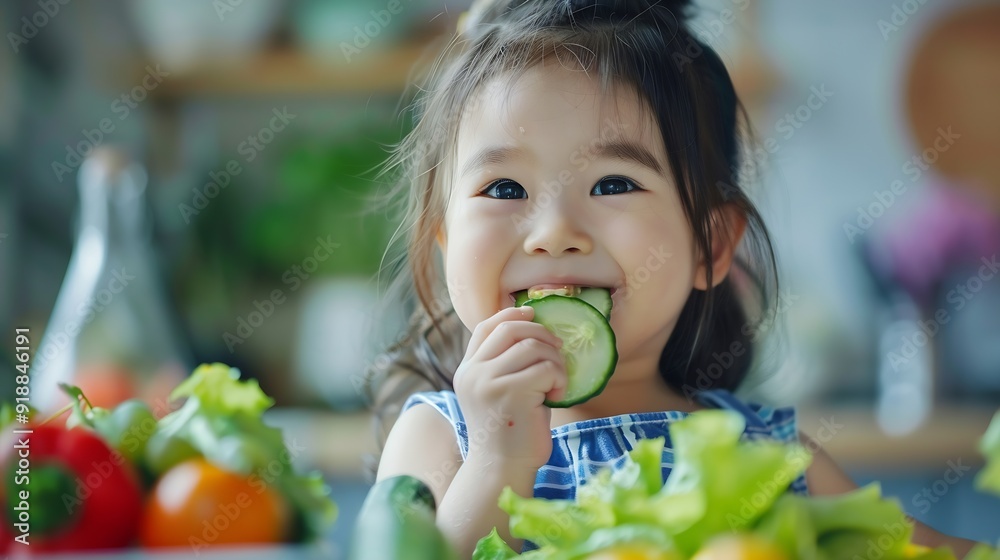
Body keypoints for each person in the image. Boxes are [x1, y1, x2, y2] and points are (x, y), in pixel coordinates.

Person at [366, 0, 980, 557]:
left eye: (612, 184)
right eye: (504, 188)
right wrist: (500, 457)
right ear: (445, 240)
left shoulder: (761, 452)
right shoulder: (438, 439)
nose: (553, 232)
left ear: (709, 245)